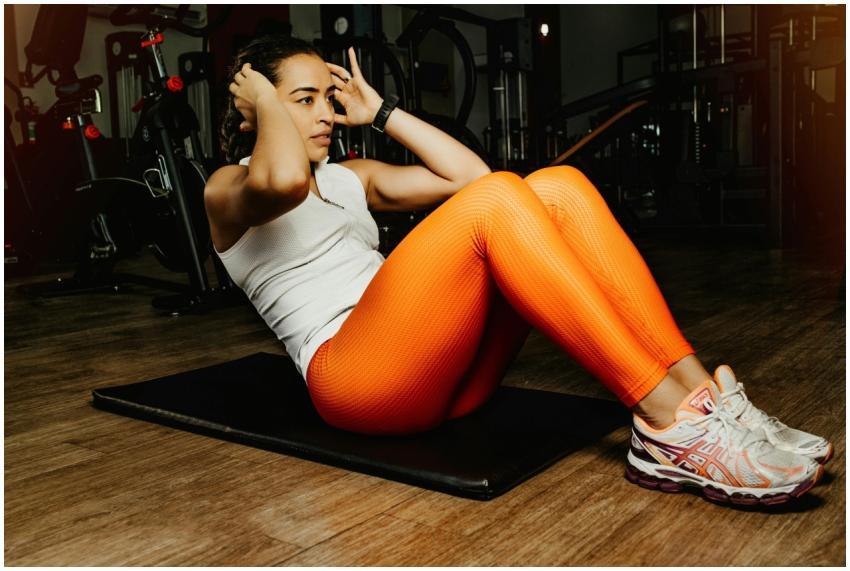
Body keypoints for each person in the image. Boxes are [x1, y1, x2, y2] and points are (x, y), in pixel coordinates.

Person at [205, 35, 832, 506]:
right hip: (359, 385)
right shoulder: (229, 190)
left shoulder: (350, 179)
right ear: (252, 110)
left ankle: (706, 400)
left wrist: (383, 113)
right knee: (500, 199)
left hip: (441, 375)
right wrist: (259, 95)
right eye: (303, 99)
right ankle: (669, 425)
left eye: (328, 96)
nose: (323, 113)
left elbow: (469, 178)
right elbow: (283, 178)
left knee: (555, 186)